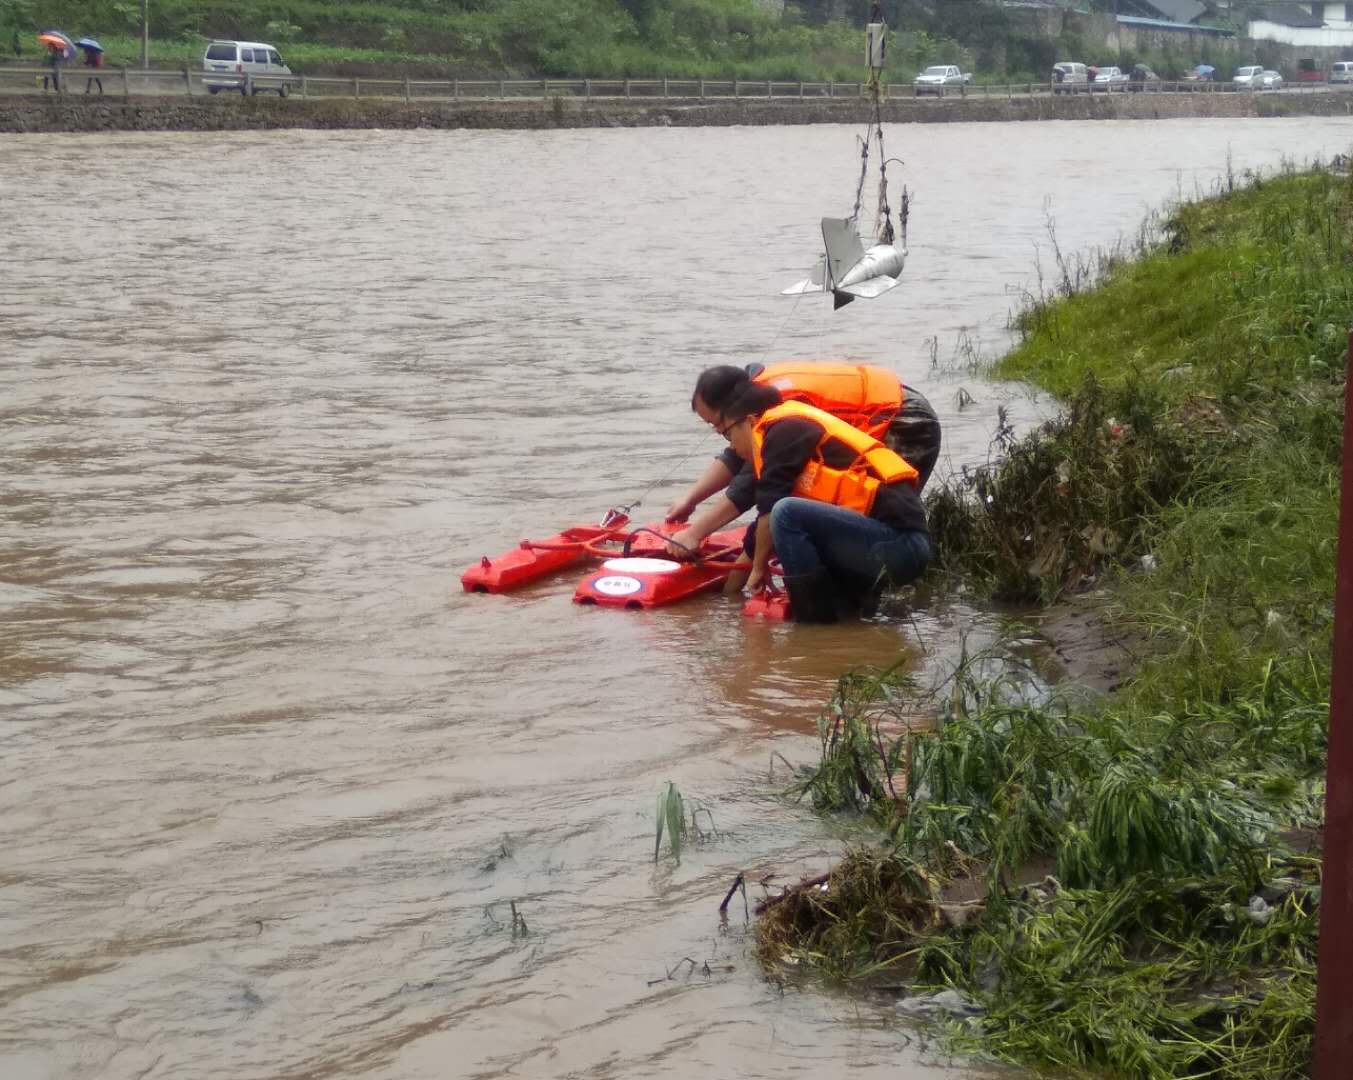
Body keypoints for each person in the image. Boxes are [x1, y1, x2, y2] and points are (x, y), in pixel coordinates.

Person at [665, 362, 940, 563]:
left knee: (880, 517)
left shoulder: (777, 406)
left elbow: (757, 479)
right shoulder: (756, 396)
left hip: (903, 418)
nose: (718, 432)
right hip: (894, 401)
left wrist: (696, 533)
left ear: (729, 406)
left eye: (716, 424)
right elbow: (737, 456)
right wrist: (691, 499)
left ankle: (856, 595)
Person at [706, 380, 930, 623]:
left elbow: (772, 514)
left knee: (785, 513)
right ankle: (846, 618)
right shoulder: (788, 428)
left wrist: (759, 569)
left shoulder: (783, 430)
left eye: (728, 435)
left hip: (901, 546)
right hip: (877, 543)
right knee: (783, 516)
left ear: (750, 421)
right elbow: (759, 534)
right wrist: (730, 594)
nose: (731, 446)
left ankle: (813, 624)